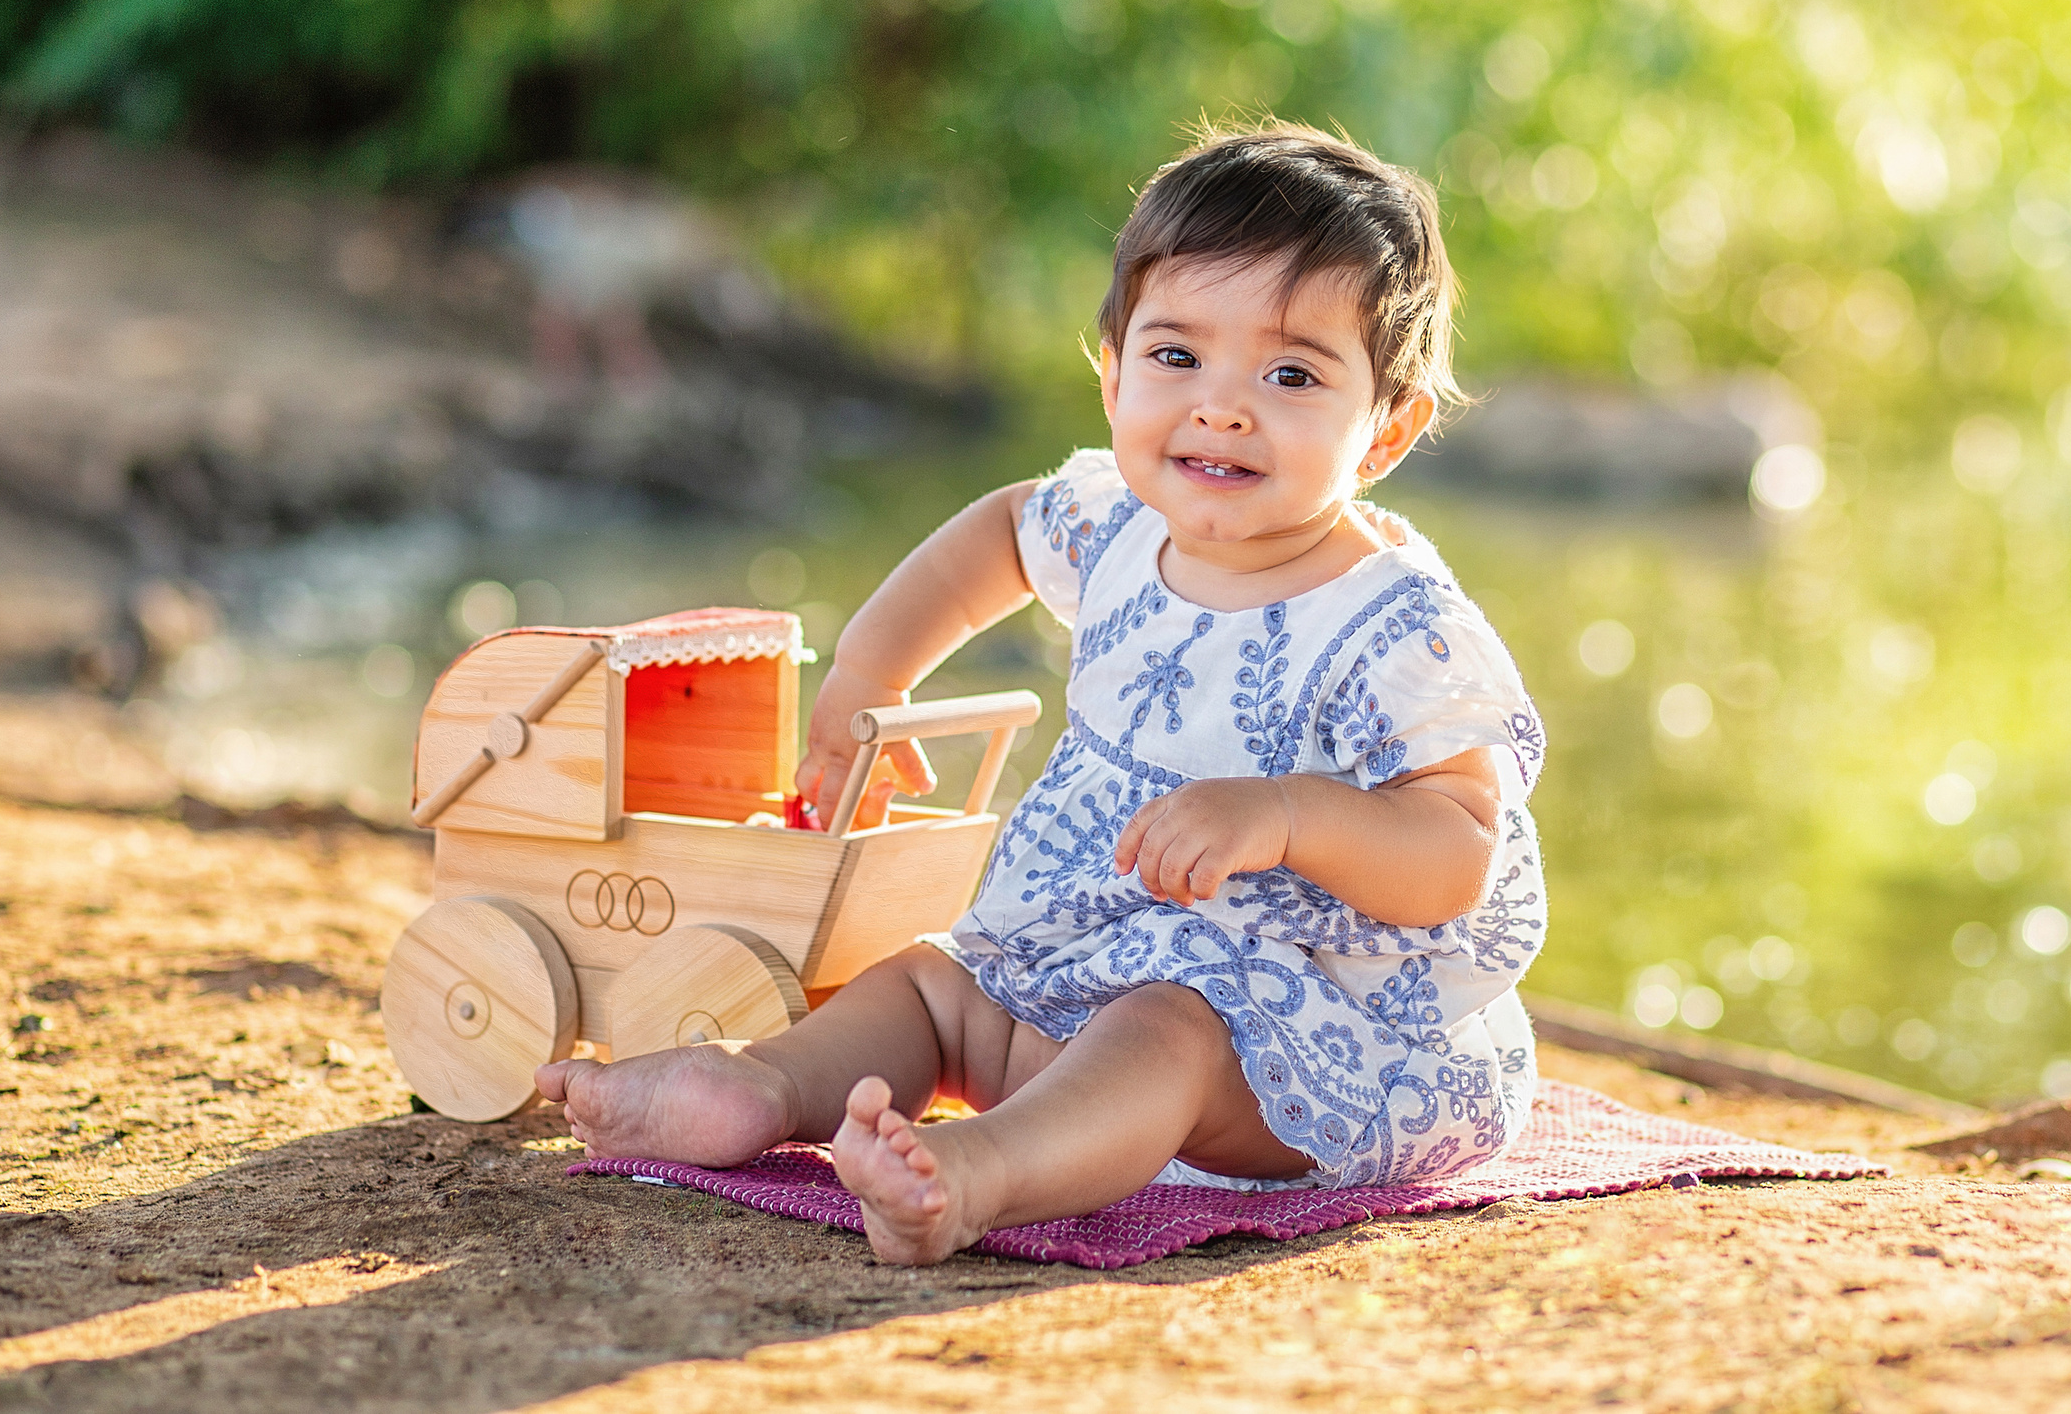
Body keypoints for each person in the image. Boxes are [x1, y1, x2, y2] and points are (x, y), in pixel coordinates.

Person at [537, 123, 1548, 1263]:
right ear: (1111, 373)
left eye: (1290, 374)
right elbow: (998, 535)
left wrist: (1286, 814)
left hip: (1300, 1040)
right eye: (1177, 358)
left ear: (1387, 431)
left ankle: (976, 1171)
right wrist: (868, 676)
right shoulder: (1118, 526)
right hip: (1083, 956)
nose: (1221, 407)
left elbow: (1455, 850)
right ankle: (759, 1092)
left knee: (1163, 1029)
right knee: (930, 988)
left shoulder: (1395, 630)